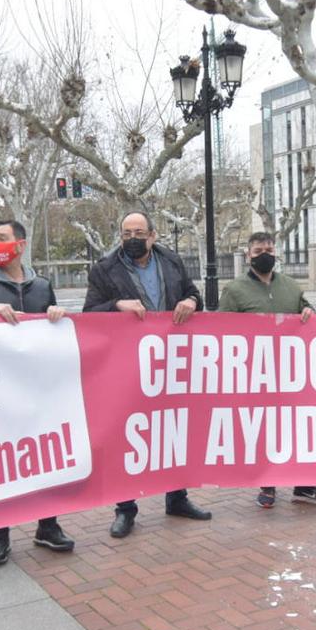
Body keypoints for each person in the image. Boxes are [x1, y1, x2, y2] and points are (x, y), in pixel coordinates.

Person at [83, 211, 212, 538]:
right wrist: (116, 306)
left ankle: (177, 497)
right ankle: (125, 508)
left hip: (171, 362)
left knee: (175, 428)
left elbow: (195, 294)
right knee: (127, 434)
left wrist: (191, 301)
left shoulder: (171, 262)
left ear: (152, 236)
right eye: (126, 233)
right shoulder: (103, 270)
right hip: (128, 365)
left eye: (139, 232)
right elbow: (89, 314)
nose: (132, 238)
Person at [0, 219, 76, 563]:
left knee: (46, 455)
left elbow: (53, 333)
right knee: (0, 461)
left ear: (20, 245)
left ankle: (48, 525)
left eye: (2, 238)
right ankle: (0, 534)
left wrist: (56, 314)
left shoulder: (42, 286)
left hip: (40, 388)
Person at [219, 232, 316, 509]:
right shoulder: (234, 290)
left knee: (300, 429)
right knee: (265, 429)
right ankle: (268, 484)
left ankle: (305, 485)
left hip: (292, 372)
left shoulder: (291, 286)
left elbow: (305, 310)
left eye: (269, 249)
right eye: (258, 250)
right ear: (248, 255)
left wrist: (308, 311)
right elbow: (221, 327)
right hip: (257, 373)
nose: (264, 255)